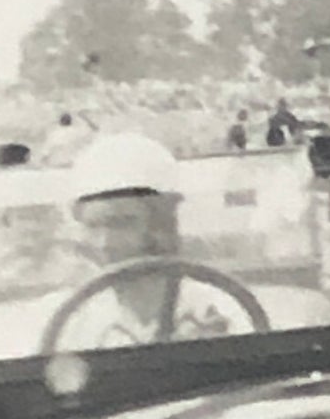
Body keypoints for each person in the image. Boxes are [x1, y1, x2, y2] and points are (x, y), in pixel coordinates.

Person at [54, 133, 246, 349]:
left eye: (122, 224)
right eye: (93, 226)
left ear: (162, 224)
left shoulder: (221, 307)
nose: (105, 243)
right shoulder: (67, 319)